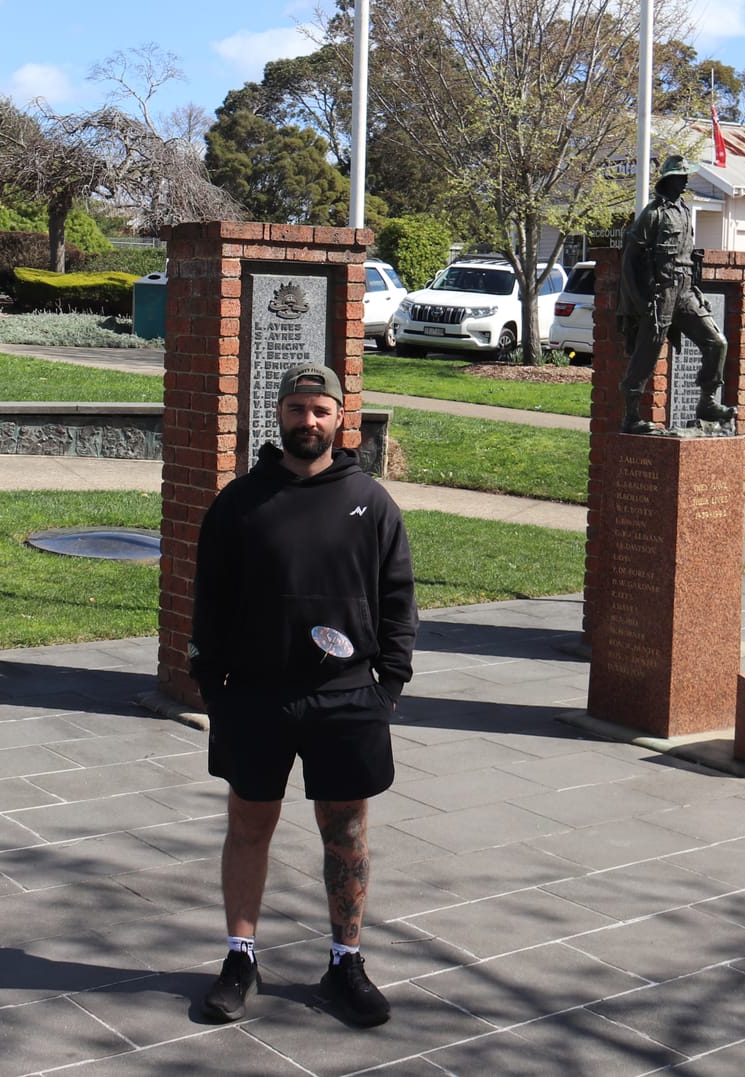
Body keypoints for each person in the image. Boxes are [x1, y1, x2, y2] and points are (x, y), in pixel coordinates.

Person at [188, 361, 418, 1028]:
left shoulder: (370, 503)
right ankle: (240, 956)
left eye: (321, 409)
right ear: (280, 414)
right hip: (256, 698)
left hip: (347, 699)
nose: (308, 420)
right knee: (249, 824)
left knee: (345, 832)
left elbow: (398, 599)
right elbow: (209, 602)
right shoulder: (242, 502)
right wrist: (214, 687)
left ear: (341, 417)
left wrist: (390, 685)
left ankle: (346, 961)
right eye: (298, 408)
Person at [619, 155, 735, 434]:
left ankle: (706, 402)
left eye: (686, 176)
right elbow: (629, 260)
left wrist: (696, 290)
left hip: (685, 292)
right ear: (669, 179)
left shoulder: (684, 211)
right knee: (646, 354)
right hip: (661, 294)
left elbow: (687, 259)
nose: (685, 181)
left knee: (717, 342)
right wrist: (639, 301)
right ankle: (631, 416)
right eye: (681, 176)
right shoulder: (653, 214)